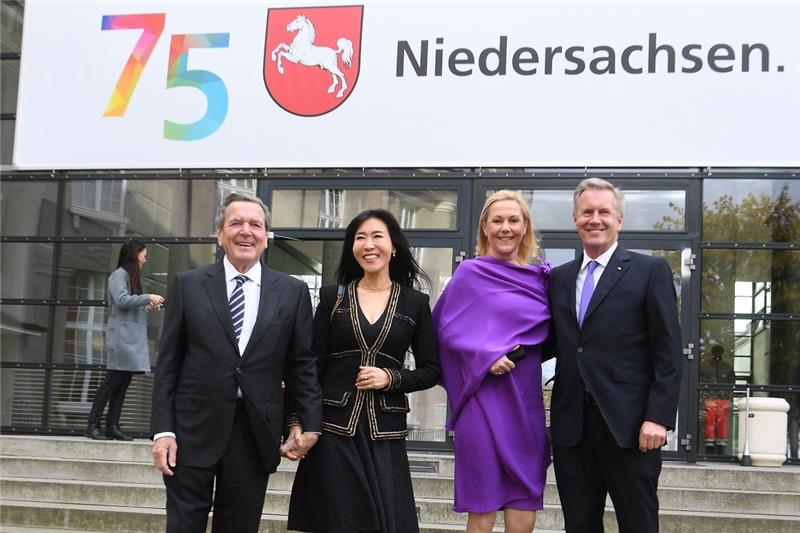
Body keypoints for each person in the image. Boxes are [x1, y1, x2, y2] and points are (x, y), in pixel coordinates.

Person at [150, 193, 322, 533]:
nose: (246, 231)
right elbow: (168, 363)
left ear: (266, 236)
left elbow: (302, 364)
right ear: (219, 233)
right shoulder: (189, 285)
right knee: (183, 525)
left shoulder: (292, 292)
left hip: (255, 432)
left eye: (255, 224)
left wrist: (309, 422)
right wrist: (163, 431)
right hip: (191, 430)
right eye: (236, 223)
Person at [287, 208, 441, 533]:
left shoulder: (415, 302)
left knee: (382, 522)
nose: (368, 245)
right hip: (333, 427)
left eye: (376, 236)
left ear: (394, 245)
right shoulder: (333, 297)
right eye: (360, 238)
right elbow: (310, 367)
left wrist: (391, 378)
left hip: (384, 430)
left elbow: (431, 370)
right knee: (338, 518)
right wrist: (298, 421)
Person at [548, 178, 683, 533]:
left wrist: (659, 417)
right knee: (579, 526)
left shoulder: (649, 271)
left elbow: (668, 352)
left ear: (619, 220)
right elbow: (548, 342)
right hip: (572, 431)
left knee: (638, 525)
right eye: (586, 212)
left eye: (604, 212)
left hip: (631, 428)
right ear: (575, 219)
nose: (595, 219)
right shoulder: (558, 279)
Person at [432, 190, 551, 533]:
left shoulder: (540, 279)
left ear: (525, 226)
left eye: (514, 220)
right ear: (484, 227)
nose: (505, 228)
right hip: (481, 401)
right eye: (497, 220)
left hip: (525, 404)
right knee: (483, 506)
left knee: (525, 501)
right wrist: (485, 357)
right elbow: (444, 333)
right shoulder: (469, 273)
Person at [85, 239, 165, 441]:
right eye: (143, 254)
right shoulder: (119, 275)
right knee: (112, 382)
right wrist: (147, 298)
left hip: (130, 339)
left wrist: (144, 304)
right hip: (121, 339)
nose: (145, 258)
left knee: (122, 384)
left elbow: (129, 302)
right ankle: (93, 425)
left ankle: (113, 425)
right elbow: (121, 300)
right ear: (135, 254)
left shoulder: (131, 276)